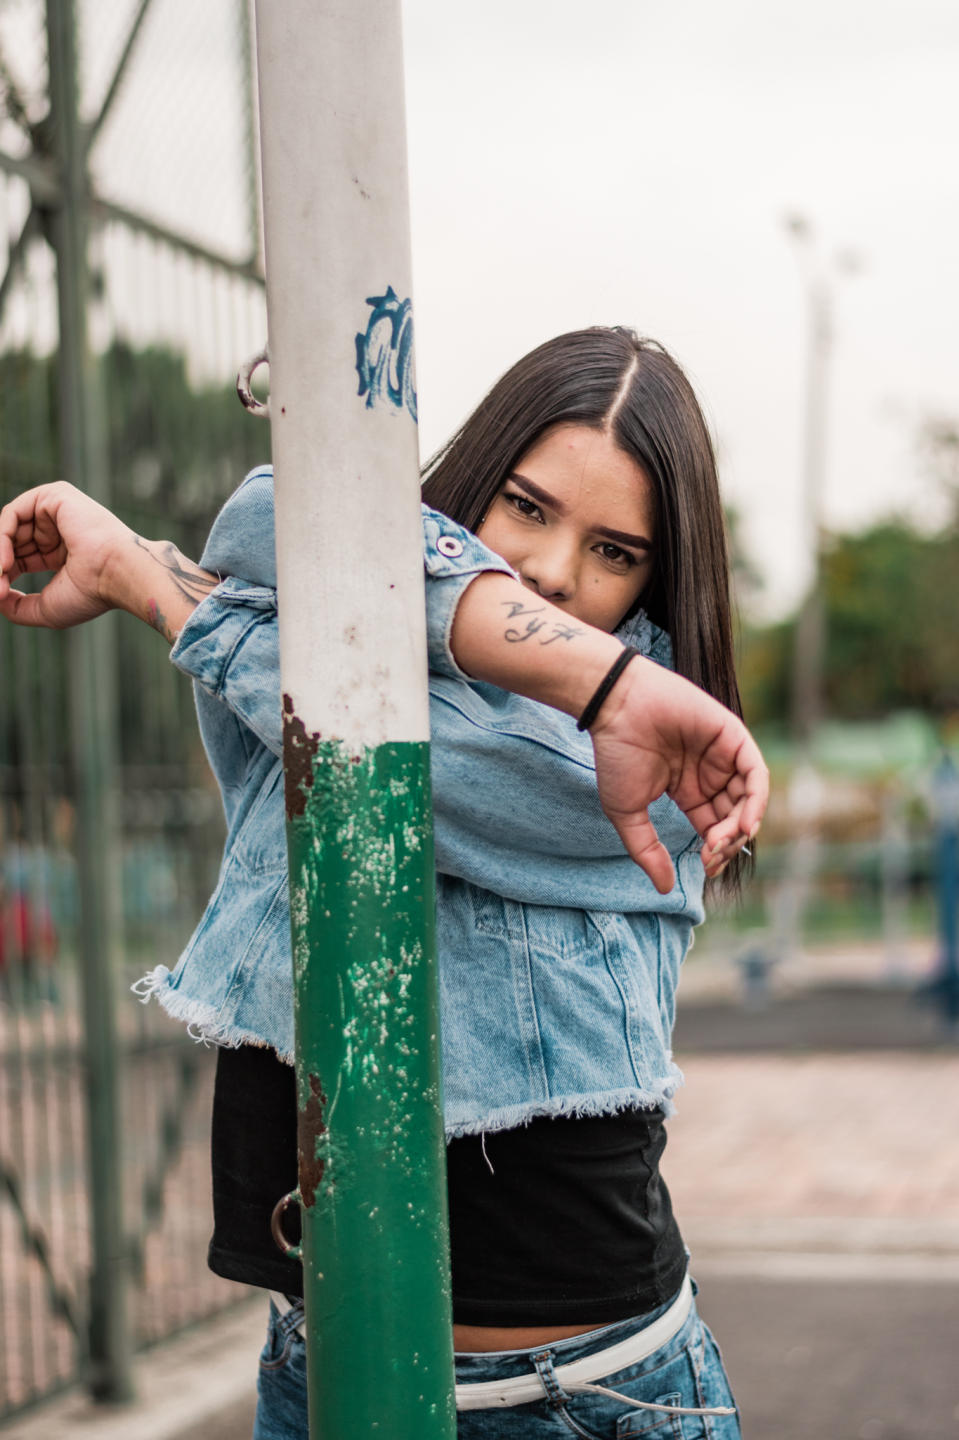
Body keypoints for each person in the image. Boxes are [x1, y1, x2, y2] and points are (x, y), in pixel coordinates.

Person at [0, 327, 767, 1439]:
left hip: (578, 1401)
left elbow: (377, 746)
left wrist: (153, 584)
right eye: (527, 506)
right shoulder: (338, 637)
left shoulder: (658, 761)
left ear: (658, 575)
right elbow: (269, 517)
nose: (555, 571)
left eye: (614, 551)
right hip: (319, 1372)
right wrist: (185, 582)